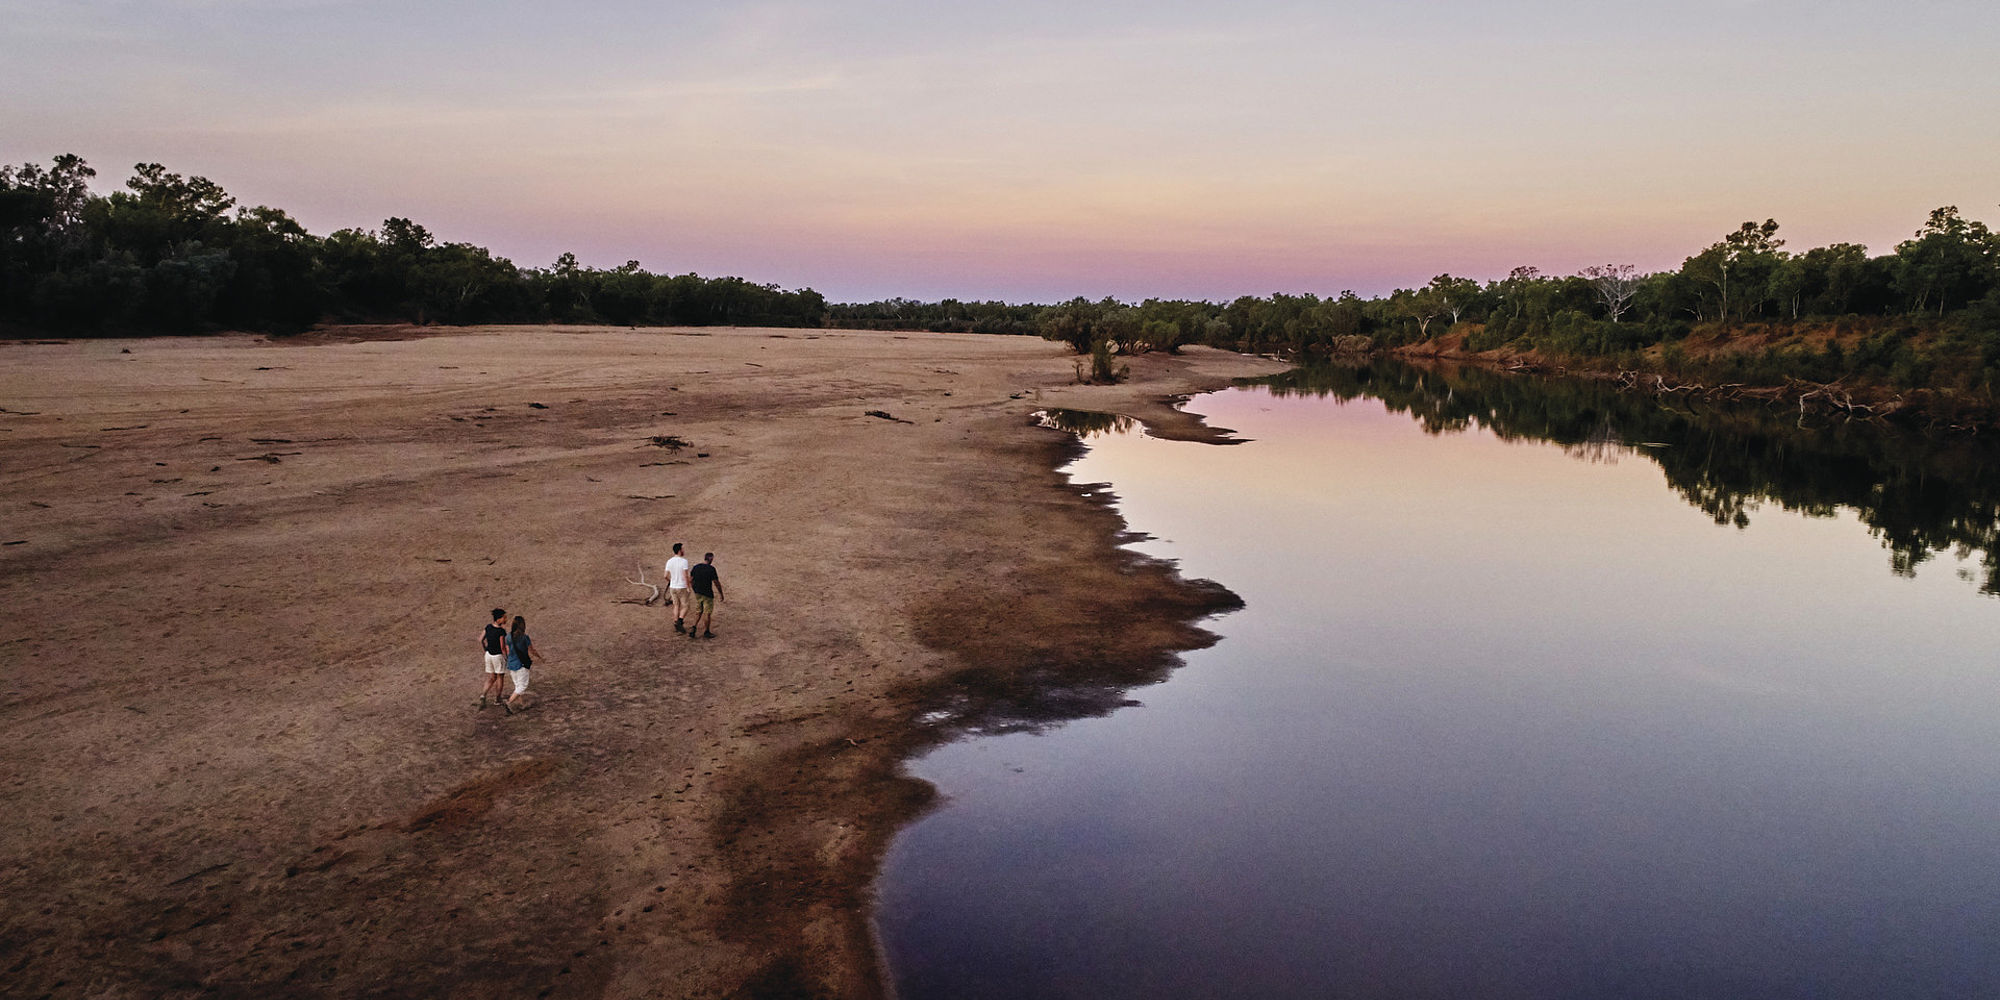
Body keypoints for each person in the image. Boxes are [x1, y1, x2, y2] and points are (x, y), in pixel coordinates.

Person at [503, 613, 551, 714]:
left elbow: (507, 650)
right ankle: (509, 702)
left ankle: (521, 704)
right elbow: (532, 650)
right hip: (521, 665)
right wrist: (540, 657)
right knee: (522, 686)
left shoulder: (508, 637)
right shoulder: (524, 638)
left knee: (517, 685)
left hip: (511, 664)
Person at [478, 608, 509, 709]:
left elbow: (480, 639)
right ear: (499, 619)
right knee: (500, 678)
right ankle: (497, 699)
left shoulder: (488, 627)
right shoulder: (501, 631)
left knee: (491, 678)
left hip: (488, 655)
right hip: (498, 657)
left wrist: (486, 649)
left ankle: (483, 695)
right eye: (504, 618)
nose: (505, 619)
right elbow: (502, 647)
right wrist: (507, 658)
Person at [688, 551, 723, 639]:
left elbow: (690, 580)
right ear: (711, 559)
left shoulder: (696, 567)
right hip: (707, 594)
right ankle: (706, 631)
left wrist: (694, 589)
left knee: (699, 610)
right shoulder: (711, 569)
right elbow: (716, 583)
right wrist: (721, 593)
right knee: (707, 614)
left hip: (698, 592)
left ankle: (694, 627)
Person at [665, 543, 693, 633]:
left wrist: (670, 581)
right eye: (682, 549)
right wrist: (688, 586)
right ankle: (680, 621)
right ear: (679, 550)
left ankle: (676, 622)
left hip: (673, 587)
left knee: (676, 605)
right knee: (686, 606)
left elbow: (665, 575)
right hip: (682, 587)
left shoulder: (669, 561)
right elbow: (685, 575)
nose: (683, 551)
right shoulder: (684, 561)